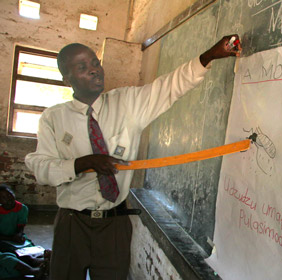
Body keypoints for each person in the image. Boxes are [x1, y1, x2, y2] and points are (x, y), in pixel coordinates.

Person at [25, 35, 241, 280]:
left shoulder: (127, 103)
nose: (94, 70)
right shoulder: (53, 118)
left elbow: (169, 87)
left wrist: (208, 56)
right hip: (72, 223)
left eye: (96, 63)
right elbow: (40, 166)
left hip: (114, 223)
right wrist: (85, 162)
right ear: (67, 79)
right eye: (83, 67)